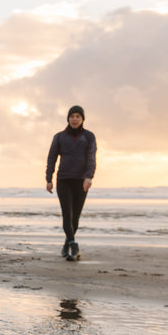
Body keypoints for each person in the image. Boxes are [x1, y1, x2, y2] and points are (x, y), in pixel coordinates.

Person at [45, 105, 97, 261]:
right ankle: (74, 247)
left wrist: (89, 176)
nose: (74, 119)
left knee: (75, 217)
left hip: (81, 181)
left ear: (82, 119)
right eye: (72, 116)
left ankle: (66, 245)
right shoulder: (59, 137)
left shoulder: (89, 136)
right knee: (67, 214)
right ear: (68, 118)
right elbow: (52, 158)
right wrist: (49, 178)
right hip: (63, 180)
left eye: (77, 116)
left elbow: (91, 157)